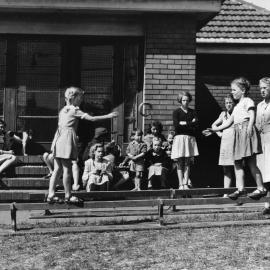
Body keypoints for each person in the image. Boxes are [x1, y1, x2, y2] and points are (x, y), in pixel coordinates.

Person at [47, 86, 117, 204]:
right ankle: (68, 195)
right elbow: (92, 119)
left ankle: (51, 194)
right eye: (80, 98)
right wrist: (108, 116)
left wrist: (54, 144)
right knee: (67, 169)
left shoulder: (63, 110)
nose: (81, 100)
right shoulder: (74, 110)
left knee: (57, 169)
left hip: (58, 139)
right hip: (66, 139)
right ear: (74, 97)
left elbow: (60, 128)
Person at [210, 77, 267, 199]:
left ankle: (261, 188)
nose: (232, 92)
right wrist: (213, 129)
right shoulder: (236, 107)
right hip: (238, 135)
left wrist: (250, 128)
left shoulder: (248, 101)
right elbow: (228, 123)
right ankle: (241, 189)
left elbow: (252, 115)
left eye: (234, 90)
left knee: (251, 163)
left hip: (246, 132)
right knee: (237, 163)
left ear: (243, 90)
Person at [203, 94, 236, 198]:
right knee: (226, 169)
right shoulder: (223, 114)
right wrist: (219, 133)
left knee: (237, 168)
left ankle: (238, 191)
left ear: (234, 103)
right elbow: (214, 125)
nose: (228, 105)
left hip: (235, 143)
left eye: (230, 102)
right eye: (227, 103)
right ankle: (226, 193)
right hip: (225, 143)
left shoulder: (237, 112)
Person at [171, 91, 199, 190]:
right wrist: (189, 123)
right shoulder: (176, 112)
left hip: (189, 139)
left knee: (187, 162)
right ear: (180, 100)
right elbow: (177, 126)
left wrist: (184, 124)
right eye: (183, 100)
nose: (185, 102)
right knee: (179, 162)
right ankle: (180, 184)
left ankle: (186, 183)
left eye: (187, 100)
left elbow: (196, 126)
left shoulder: (193, 112)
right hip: (179, 139)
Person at [255, 78, 270, 213]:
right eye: (261, 88)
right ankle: (267, 204)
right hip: (261, 141)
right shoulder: (259, 105)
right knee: (263, 172)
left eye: (265, 88)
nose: (262, 90)